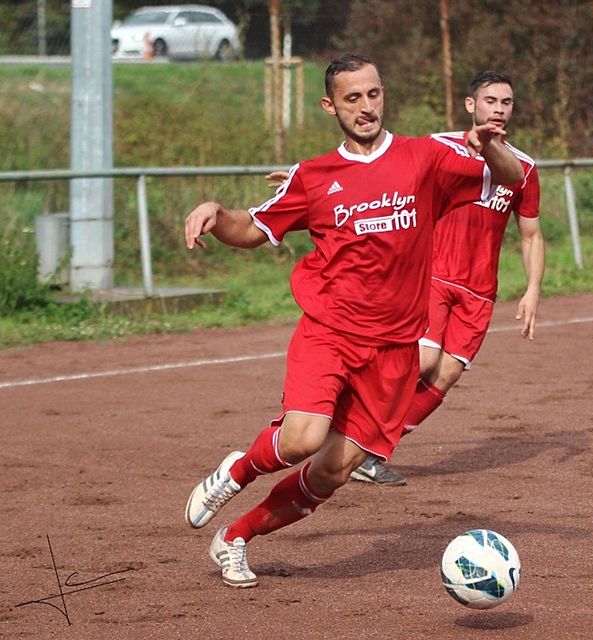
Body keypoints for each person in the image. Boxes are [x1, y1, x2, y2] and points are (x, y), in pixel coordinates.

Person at [182, 53, 523, 589]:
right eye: (352, 98)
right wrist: (215, 213)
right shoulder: (315, 177)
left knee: (331, 472)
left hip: (394, 350)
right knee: (301, 440)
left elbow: (511, 179)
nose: (366, 107)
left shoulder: (426, 157)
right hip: (331, 330)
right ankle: (237, 471)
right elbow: (251, 229)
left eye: (373, 95)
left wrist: (493, 147)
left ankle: (234, 539)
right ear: (330, 105)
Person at [350, 70, 544, 486]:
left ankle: (368, 453)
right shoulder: (438, 147)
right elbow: (377, 167)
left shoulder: (524, 168)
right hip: (432, 275)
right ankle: (345, 412)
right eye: (490, 100)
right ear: (471, 105)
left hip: (479, 291)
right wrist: (317, 178)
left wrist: (531, 290)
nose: (499, 108)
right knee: (422, 360)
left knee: (447, 374)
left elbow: (531, 234)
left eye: (506, 102)